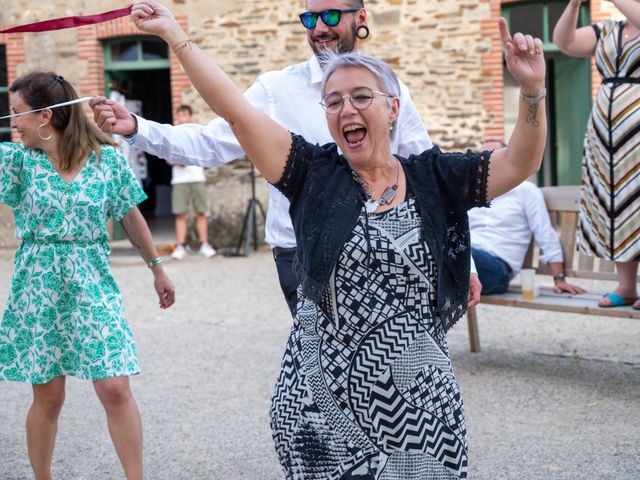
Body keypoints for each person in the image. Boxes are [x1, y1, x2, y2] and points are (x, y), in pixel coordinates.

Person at [130, 1, 547, 477]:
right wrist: (175, 37)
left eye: (361, 97)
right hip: (322, 405)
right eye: (333, 101)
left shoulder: (434, 175)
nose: (346, 108)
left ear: (394, 108)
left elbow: (519, 163)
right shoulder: (312, 173)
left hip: (420, 401)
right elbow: (235, 112)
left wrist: (531, 91)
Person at [90, 0, 483, 316]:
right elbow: (208, 145)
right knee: (331, 370)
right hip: (303, 254)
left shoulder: (391, 89)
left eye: (330, 15)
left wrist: (465, 261)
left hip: (384, 248)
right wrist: (137, 127)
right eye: (309, 17)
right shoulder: (277, 89)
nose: (319, 28)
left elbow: (431, 175)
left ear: (361, 17)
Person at [0, 71, 176, 480]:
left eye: (17, 113)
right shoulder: (17, 164)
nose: (12, 123)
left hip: (92, 281)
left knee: (115, 386)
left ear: (45, 117)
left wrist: (157, 269)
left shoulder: (107, 161)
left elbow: (131, 216)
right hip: (37, 287)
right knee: (48, 396)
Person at [553, 0, 640, 309]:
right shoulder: (608, 30)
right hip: (606, 136)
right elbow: (565, 42)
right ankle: (627, 287)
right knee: (616, 204)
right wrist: (574, 4)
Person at [469, 140, 586, 295]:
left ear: (506, 161)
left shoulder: (525, 191)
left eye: (491, 157)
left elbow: (545, 233)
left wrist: (559, 279)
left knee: (453, 254)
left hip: (496, 269)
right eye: (480, 157)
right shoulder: (472, 193)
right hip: (467, 263)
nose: (484, 162)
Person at [167, 104, 216, 260]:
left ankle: (204, 244)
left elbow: (205, 152)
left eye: (184, 114)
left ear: (190, 116)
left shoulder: (198, 133)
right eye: (179, 114)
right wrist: (177, 161)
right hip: (179, 179)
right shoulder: (171, 134)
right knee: (180, 213)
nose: (181, 117)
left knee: (201, 212)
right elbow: (166, 157)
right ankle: (181, 245)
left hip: (196, 177)